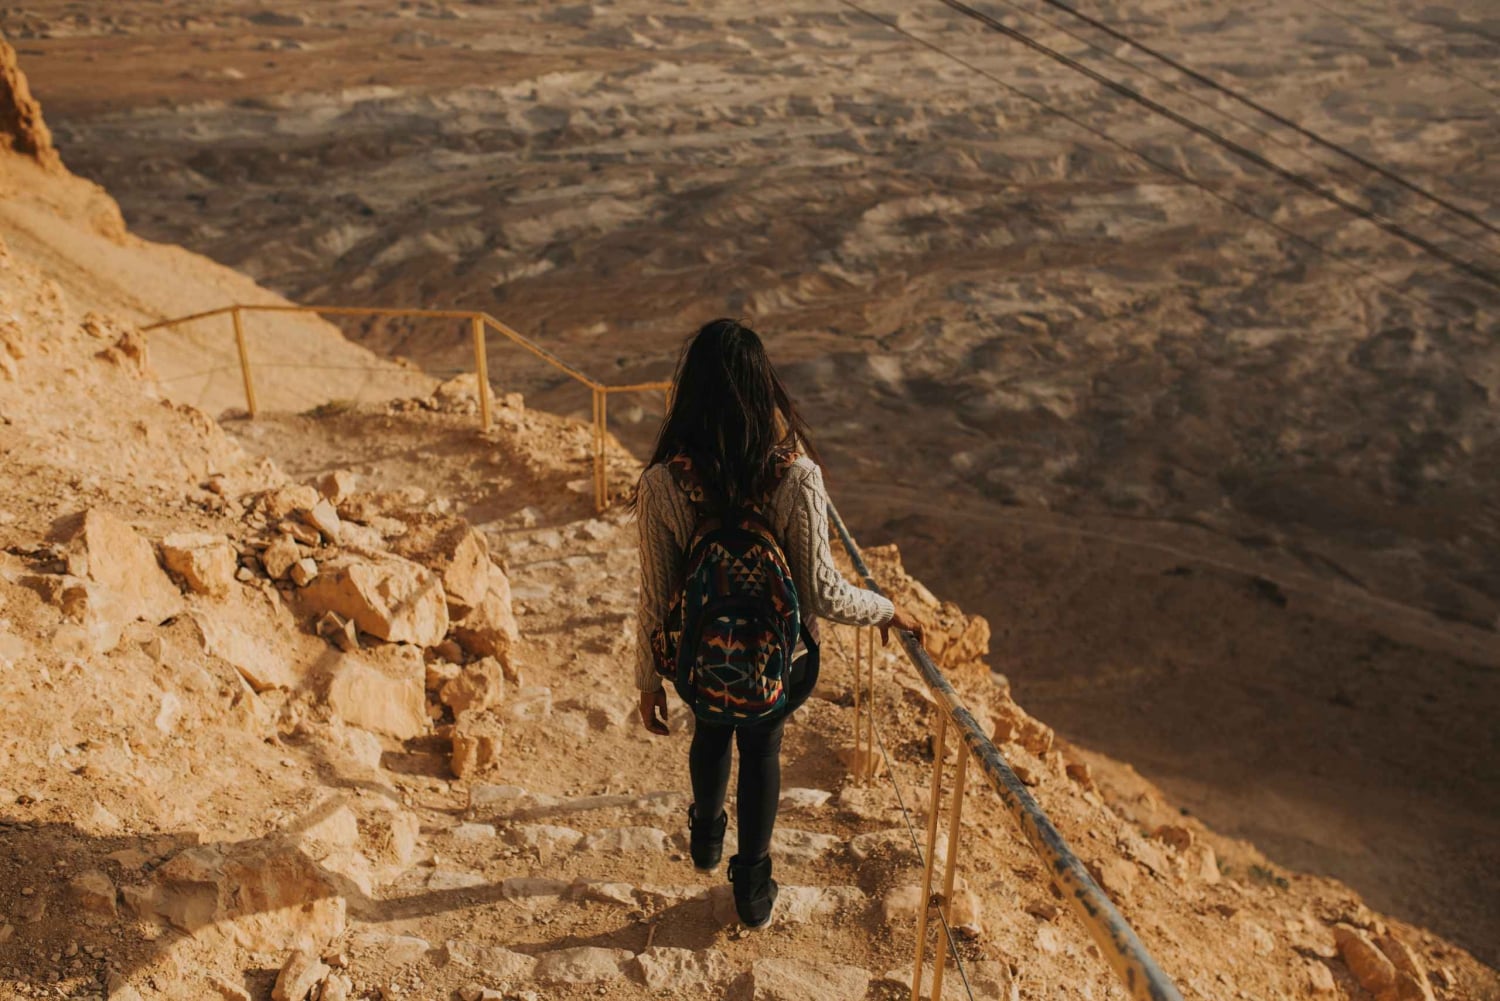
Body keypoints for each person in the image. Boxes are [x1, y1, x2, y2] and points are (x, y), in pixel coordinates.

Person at [634, 317, 924, 929]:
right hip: (780, 665)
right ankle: (752, 883)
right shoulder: (797, 476)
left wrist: (647, 680)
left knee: (710, 730)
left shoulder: (662, 483)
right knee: (761, 748)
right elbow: (823, 590)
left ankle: (708, 831)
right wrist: (887, 608)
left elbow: (656, 596)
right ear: (764, 389)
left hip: (697, 659)